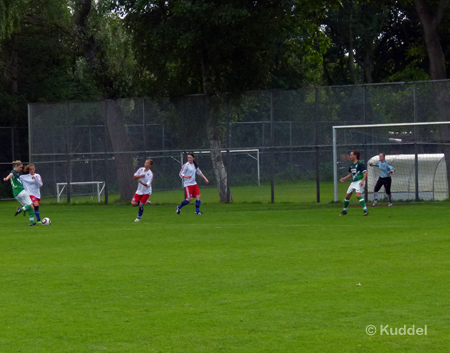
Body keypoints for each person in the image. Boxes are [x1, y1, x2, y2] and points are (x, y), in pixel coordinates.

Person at [3, 160, 36, 226]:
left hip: (16, 194)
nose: (21, 169)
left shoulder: (16, 173)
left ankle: (32, 222)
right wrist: (7, 178)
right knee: (31, 206)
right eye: (20, 167)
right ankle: (20, 209)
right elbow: (11, 174)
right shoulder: (14, 172)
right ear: (16, 166)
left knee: (30, 207)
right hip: (21, 191)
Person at [339, 151, 369, 216]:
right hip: (354, 182)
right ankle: (345, 211)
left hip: (359, 181)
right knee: (347, 196)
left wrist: (363, 181)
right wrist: (344, 178)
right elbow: (351, 174)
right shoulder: (352, 164)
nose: (350, 156)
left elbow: (366, 172)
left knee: (358, 195)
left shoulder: (360, 163)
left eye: (351, 155)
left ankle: (365, 210)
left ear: (355, 156)